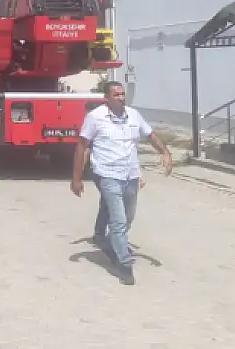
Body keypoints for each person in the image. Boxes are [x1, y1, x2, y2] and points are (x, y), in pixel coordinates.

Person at [72, 80, 172, 286]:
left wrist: (164, 152)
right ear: (106, 98)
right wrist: (76, 178)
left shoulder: (134, 116)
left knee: (127, 217)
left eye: (122, 94)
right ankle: (124, 264)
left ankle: (103, 236)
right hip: (106, 174)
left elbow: (150, 135)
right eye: (116, 94)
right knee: (118, 220)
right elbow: (82, 147)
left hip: (131, 174)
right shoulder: (95, 117)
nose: (121, 98)